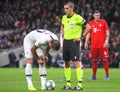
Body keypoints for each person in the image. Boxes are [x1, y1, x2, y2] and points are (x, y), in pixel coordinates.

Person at [61, 1, 86, 90]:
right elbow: (63, 26)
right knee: (66, 63)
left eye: (67, 8)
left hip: (74, 43)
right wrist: (63, 36)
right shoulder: (64, 17)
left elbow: (88, 27)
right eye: (64, 8)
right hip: (66, 42)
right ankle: (68, 84)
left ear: (72, 8)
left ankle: (79, 84)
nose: (65, 10)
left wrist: (81, 37)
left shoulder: (78, 18)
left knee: (76, 63)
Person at [84, 10, 110, 80]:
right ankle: (94, 76)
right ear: (93, 16)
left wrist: (106, 41)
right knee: (94, 60)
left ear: (100, 15)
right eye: (96, 15)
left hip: (102, 45)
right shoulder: (90, 23)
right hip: (94, 46)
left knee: (105, 60)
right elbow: (88, 34)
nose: (97, 16)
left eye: (98, 15)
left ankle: (107, 75)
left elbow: (107, 32)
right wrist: (86, 42)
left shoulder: (103, 22)